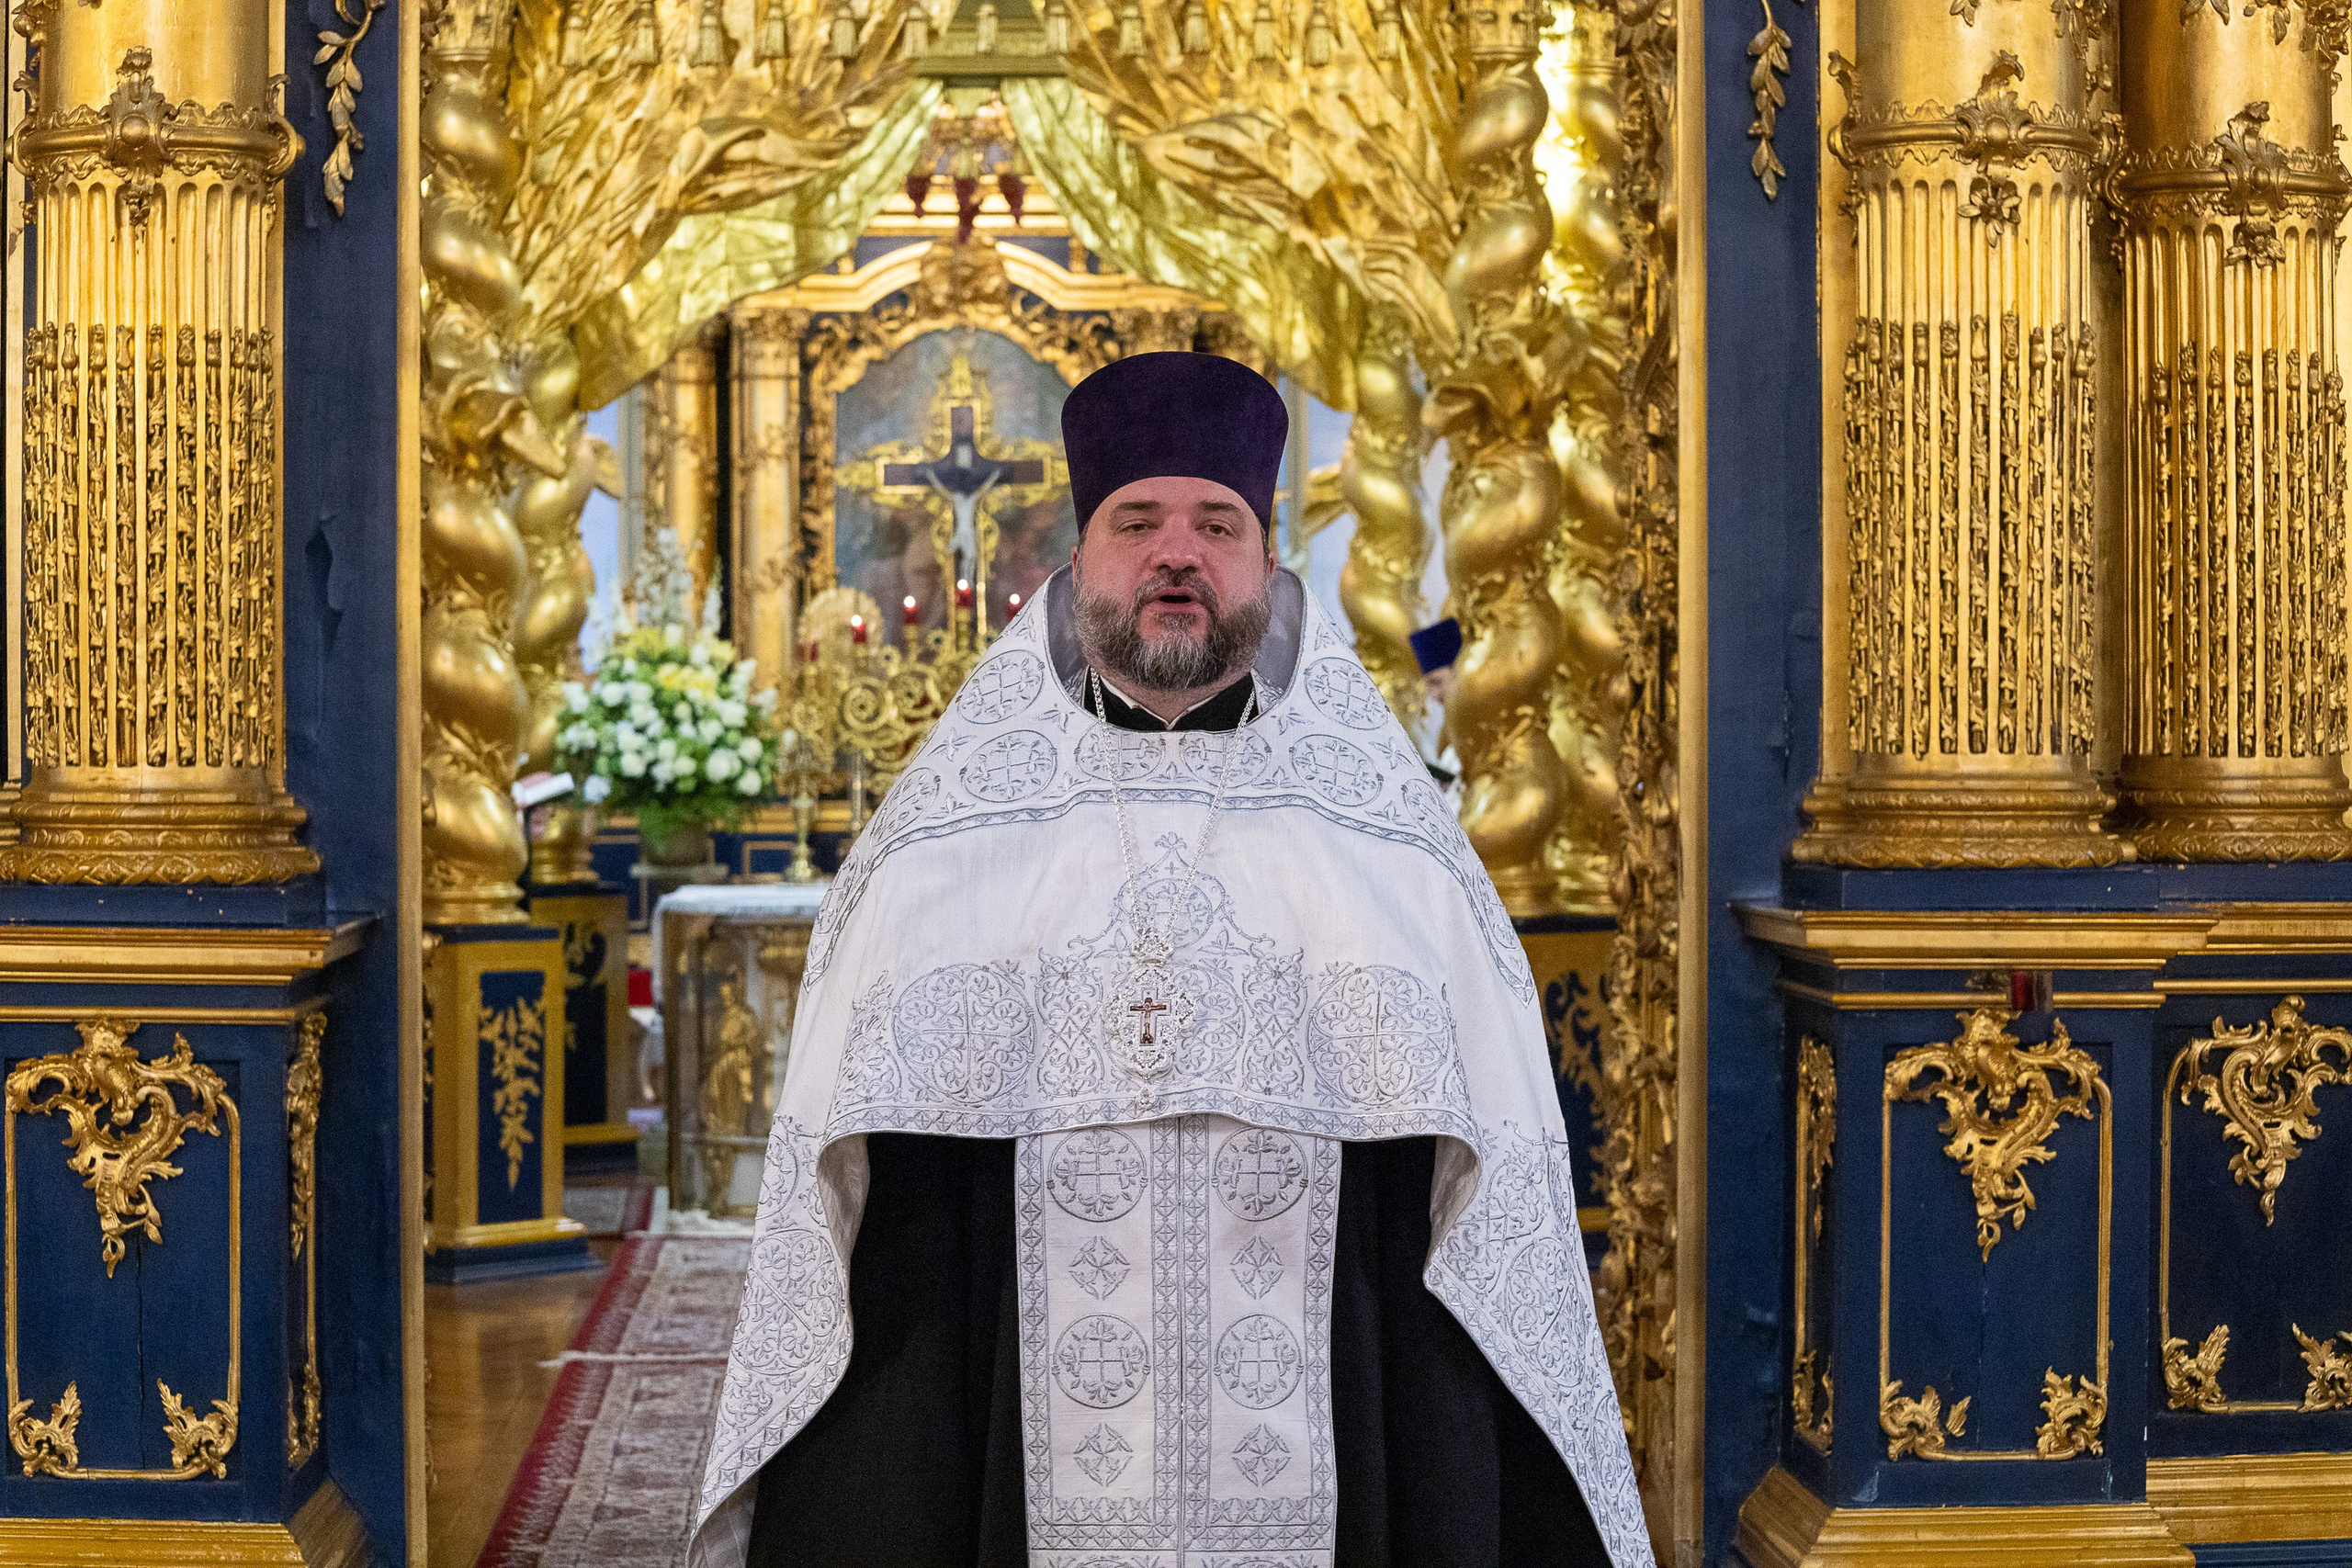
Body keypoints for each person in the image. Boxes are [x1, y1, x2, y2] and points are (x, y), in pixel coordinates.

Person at [690, 353, 1649, 1568]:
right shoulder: (949, 839)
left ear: (1268, 557)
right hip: (1006, 1395)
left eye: (1217, 524)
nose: (1176, 553)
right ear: (1078, 558)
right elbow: (864, 1193)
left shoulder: (1386, 841)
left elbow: (1480, 1190)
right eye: (1136, 522)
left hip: (1331, 1382)